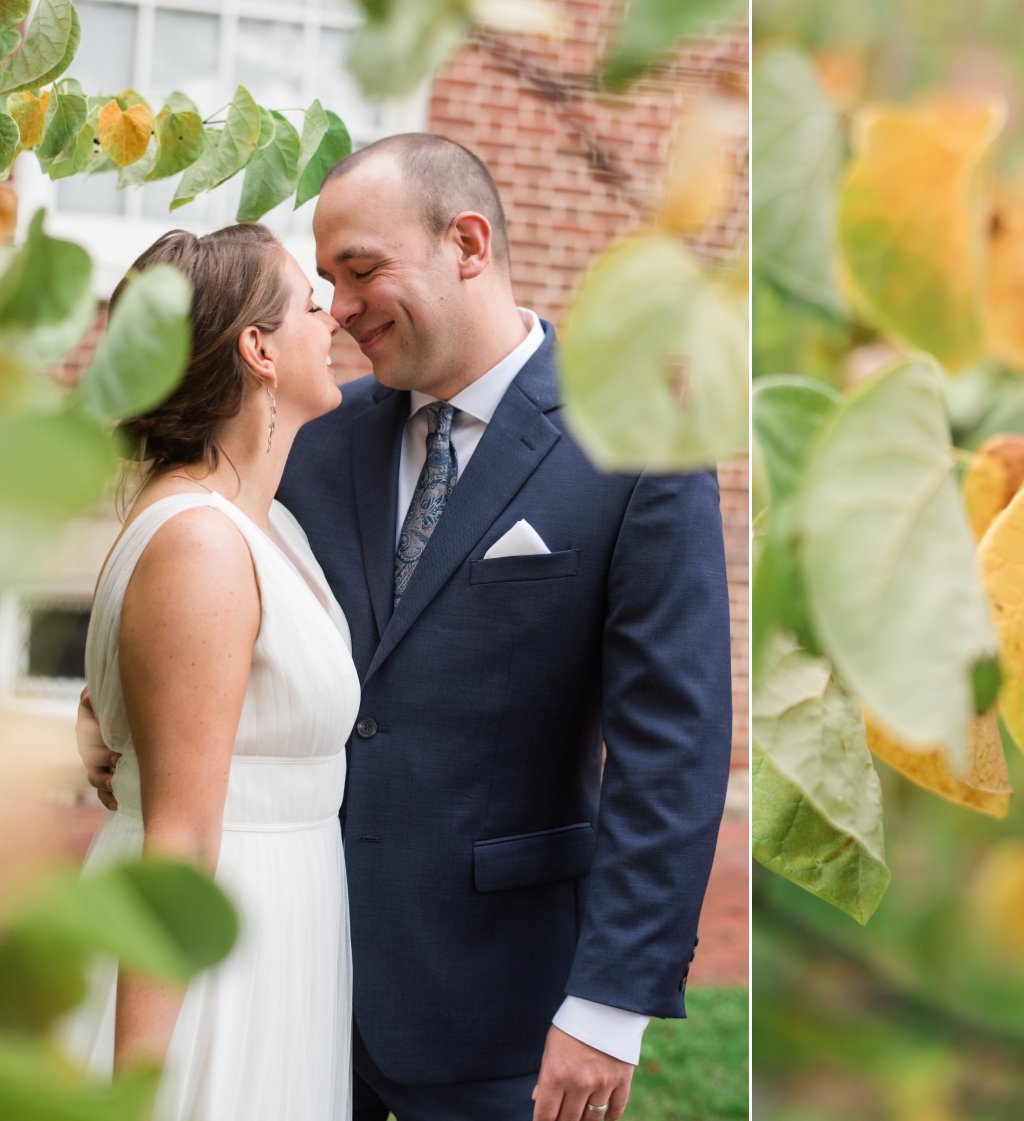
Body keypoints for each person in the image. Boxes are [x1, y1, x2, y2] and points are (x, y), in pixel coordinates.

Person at [80, 133, 732, 1121]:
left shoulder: (639, 439)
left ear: (468, 243)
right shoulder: (312, 434)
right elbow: (199, 601)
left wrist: (609, 1005)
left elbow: (672, 749)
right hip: (287, 982)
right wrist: (110, 710)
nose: (338, 309)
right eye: (325, 281)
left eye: (360, 270)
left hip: (496, 1005)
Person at [65, 223, 358, 1119]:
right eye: (312, 302)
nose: (334, 318)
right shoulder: (202, 539)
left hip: (288, 922)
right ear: (258, 349)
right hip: (219, 942)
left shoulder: (264, 524)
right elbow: (182, 843)